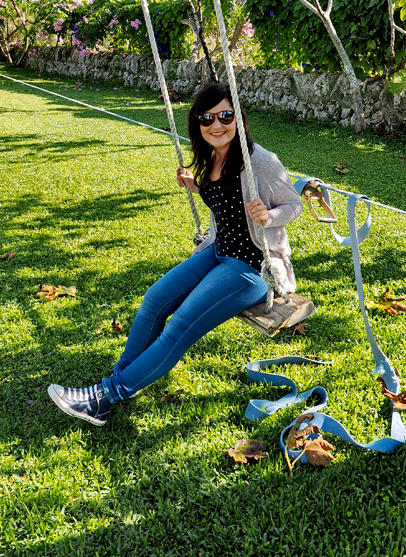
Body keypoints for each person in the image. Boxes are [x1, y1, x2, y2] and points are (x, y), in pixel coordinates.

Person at [47, 82, 303, 425]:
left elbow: (294, 205)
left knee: (180, 326)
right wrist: (196, 186)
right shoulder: (213, 155)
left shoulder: (260, 161)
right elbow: (225, 201)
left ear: (239, 119)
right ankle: (124, 378)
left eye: (226, 115)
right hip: (218, 252)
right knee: (154, 300)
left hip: (251, 270)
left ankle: (106, 397)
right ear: (197, 123)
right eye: (207, 117)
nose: (217, 125)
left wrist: (269, 216)